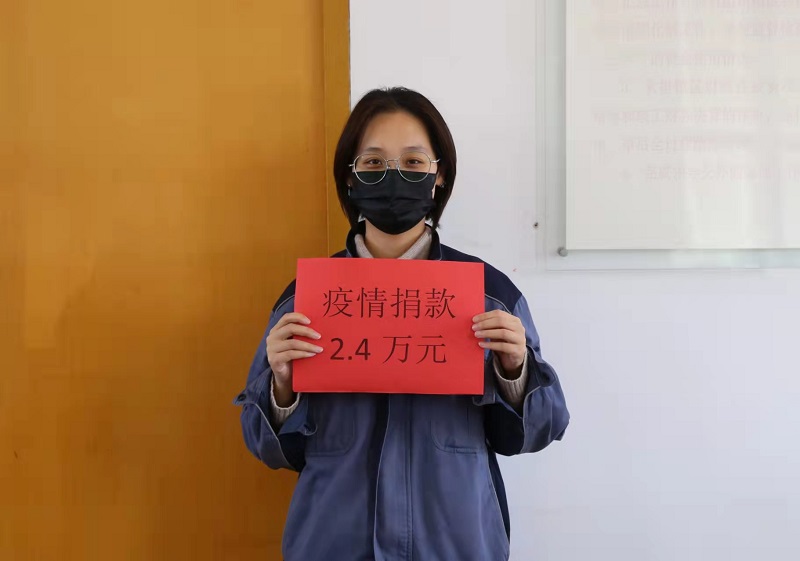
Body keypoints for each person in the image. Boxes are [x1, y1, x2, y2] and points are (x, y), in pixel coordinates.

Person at [234, 87, 569, 561]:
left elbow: (537, 432)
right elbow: (267, 448)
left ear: (439, 176)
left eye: (413, 162)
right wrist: (282, 388)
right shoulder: (306, 299)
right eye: (373, 163)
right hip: (334, 545)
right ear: (350, 178)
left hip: (454, 546)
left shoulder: (489, 294)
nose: (393, 176)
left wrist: (516, 372)